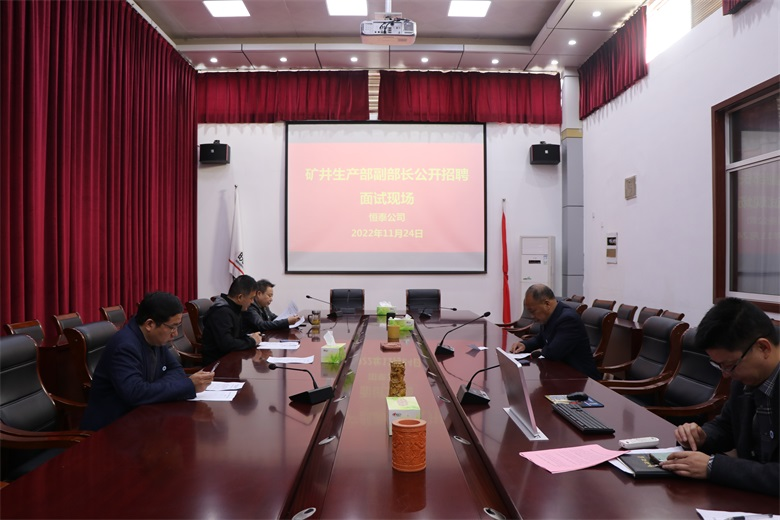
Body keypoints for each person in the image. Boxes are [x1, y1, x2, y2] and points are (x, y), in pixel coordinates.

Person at [661, 298, 779, 496]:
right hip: (751, 497)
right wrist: (701, 436)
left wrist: (713, 467)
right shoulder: (746, 376)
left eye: (729, 365)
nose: (725, 374)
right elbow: (727, 426)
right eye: (719, 366)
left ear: (763, 348)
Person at [81, 292, 214, 431]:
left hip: (142, 418)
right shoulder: (125, 346)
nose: (175, 333)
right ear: (150, 324)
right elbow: (135, 393)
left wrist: (150, 388)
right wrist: (188, 385)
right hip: (111, 429)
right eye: (172, 327)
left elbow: (176, 370)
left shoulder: (154, 338)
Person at [509, 284, 602, 380]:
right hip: (560, 375)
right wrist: (525, 345)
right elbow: (540, 338)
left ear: (547, 304)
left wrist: (538, 352)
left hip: (581, 379)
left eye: (533, 311)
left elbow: (553, 352)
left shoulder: (568, 319)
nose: (532, 316)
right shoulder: (551, 315)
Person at [201, 274, 262, 366]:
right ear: (240, 297)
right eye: (251, 298)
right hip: (216, 366)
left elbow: (236, 336)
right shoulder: (222, 312)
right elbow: (227, 344)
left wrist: (251, 337)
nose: (252, 302)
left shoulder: (235, 309)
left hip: (230, 361)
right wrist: (252, 341)